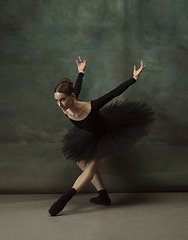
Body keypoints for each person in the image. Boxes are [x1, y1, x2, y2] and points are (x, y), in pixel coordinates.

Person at [48, 56, 154, 216]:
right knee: (81, 162)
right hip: (95, 134)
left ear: (72, 96)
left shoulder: (92, 107)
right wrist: (81, 72)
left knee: (90, 167)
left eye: (62, 100)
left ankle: (65, 199)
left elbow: (114, 93)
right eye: (57, 101)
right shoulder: (67, 109)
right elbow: (77, 86)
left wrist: (134, 78)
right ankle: (103, 196)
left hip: (111, 132)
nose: (60, 105)